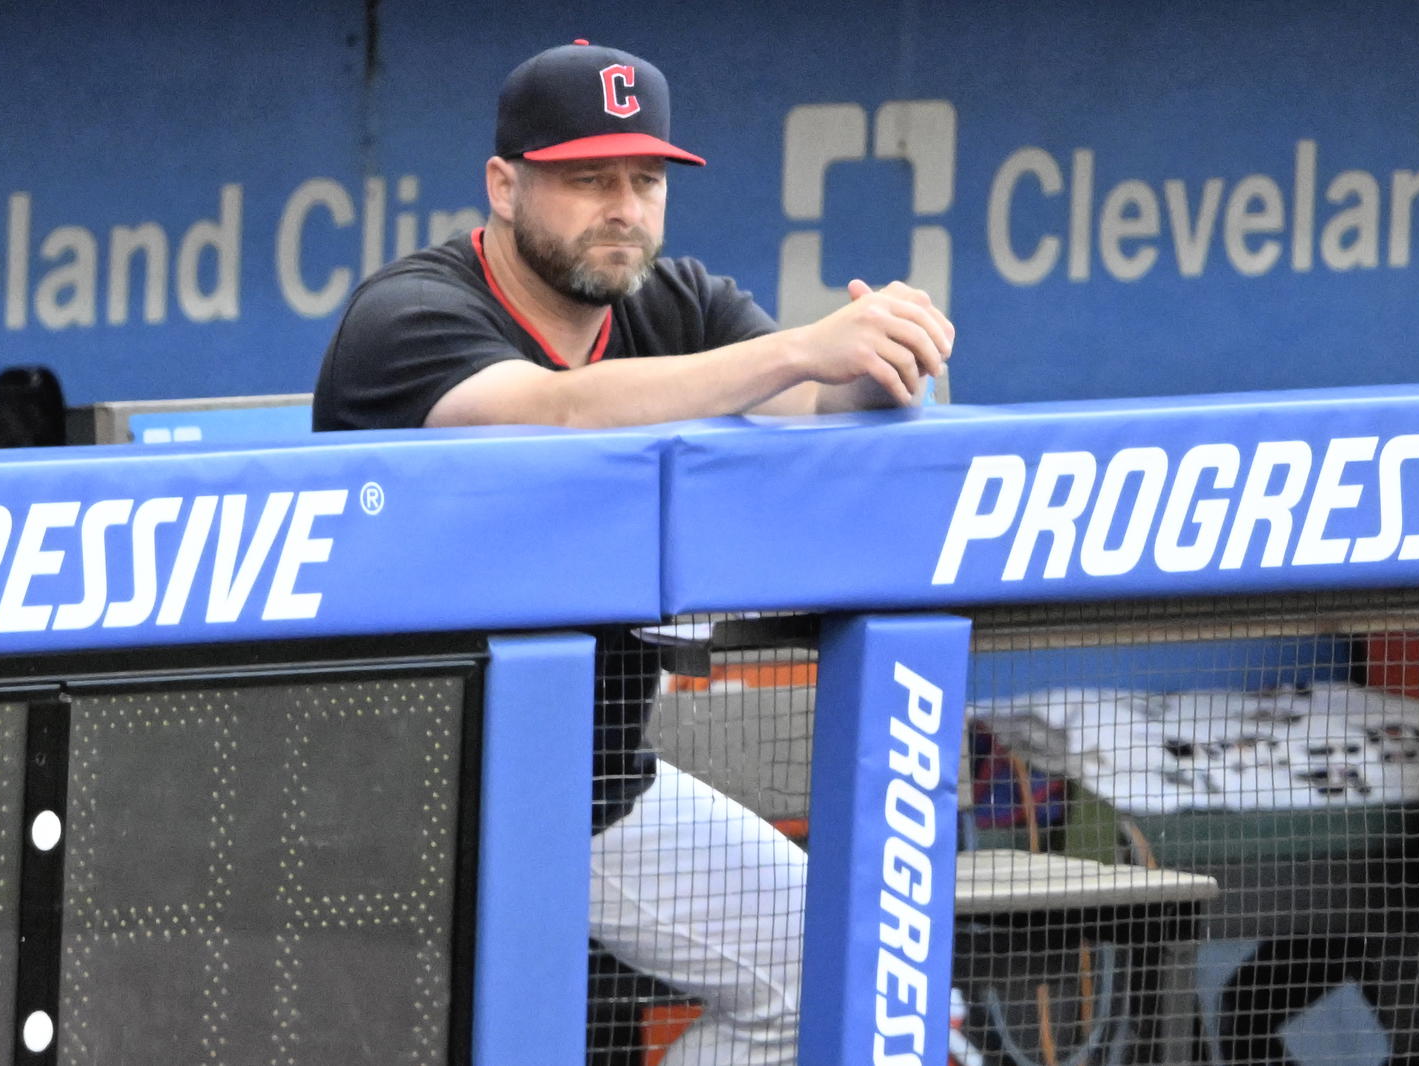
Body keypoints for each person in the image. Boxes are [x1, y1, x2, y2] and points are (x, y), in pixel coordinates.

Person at [313, 40, 954, 1065]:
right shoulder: (408, 316)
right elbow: (559, 412)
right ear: (504, 184)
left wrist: (877, 361)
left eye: (644, 179)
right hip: (393, 811)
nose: (622, 206)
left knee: (863, 969)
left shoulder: (678, 305)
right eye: (586, 178)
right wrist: (799, 345)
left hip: (595, 793)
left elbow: (812, 399)